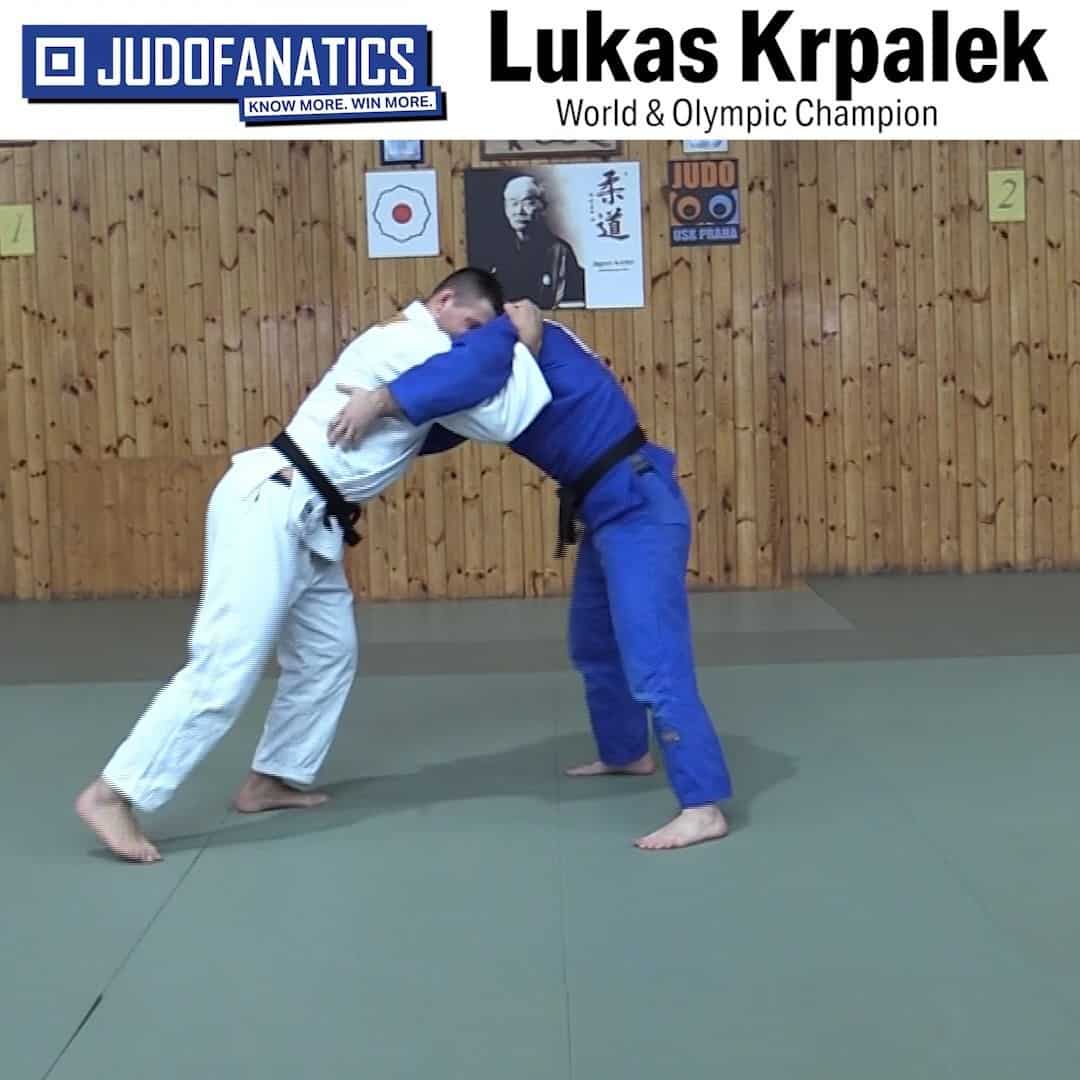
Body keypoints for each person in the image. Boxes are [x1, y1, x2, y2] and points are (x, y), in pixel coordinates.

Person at [75, 269, 551, 864]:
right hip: (273, 502)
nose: (472, 338)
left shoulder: (429, 358)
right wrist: (521, 338)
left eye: (480, 331)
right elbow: (493, 402)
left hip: (308, 517)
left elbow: (476, 413)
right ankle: (114, 793)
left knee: (327, 652)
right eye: (471, 324)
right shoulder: (413, 340)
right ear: (443, 301)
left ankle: (272, 777)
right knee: (227, 661)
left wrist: (504, 350)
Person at [334, 316, 733, 851]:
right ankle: (625, 752)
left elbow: (481, 355)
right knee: (594, 645)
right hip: (608, 510)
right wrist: (376, 418)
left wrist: (382, 399)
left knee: (655, 659)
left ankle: (703, 806)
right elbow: (442, 421)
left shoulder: (513, 328)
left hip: (641, 507)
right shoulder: (504, 376)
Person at [479, 175, 586, 309]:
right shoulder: (494, 249)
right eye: (513, 203)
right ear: (506, 208)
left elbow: (571, 303)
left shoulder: (560, 252)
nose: (519, 211)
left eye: (528, 203)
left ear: (543, 207)